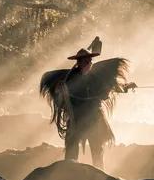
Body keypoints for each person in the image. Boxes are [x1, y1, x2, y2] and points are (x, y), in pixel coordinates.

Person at [39, 37, 135, 170]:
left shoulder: (96, 77)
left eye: (90, 61)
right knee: (71, 151)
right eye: (86, 61)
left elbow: (110, 88)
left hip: (94, 118)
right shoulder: (70, 78)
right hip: (76, 118)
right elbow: (59, 92)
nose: (89, 63)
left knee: (97, 149)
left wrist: (126, 87)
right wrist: (59, 89)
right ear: (79, 63)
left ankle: (99, 172)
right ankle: (69, 173)